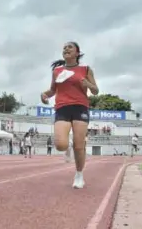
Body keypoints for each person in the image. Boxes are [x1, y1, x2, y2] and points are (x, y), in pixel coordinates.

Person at [40, 41, 99, 189]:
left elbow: (95, 91)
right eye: (64, 48)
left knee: (80, 147)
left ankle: (79, 175)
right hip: (62, 107)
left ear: (77, 53)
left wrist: (88, 84)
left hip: (80, 107)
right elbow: (52, 90)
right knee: (60, 145)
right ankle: (69, 144)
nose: (66, 49)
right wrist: (44, 95)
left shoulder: (85, 69)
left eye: (70, 47)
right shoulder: (57, 71)